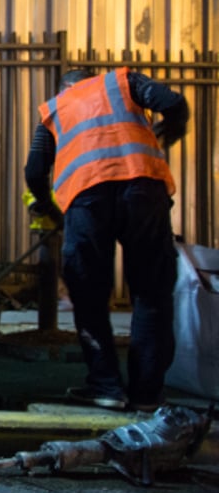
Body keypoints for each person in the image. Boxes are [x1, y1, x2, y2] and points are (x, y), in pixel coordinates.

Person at [24, 67, 188, 413]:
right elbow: (172, 102)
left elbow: (34, 170)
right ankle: (146, 393)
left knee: (88, 294)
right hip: (144, 191)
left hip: (87, 200)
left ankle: (106, 386)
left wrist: (54, 213)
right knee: (151, 294)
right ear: (91, 77)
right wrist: (170, 129)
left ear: (65, 86)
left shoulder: (54, 108)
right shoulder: (122, 82)